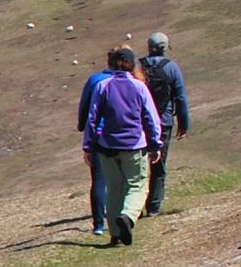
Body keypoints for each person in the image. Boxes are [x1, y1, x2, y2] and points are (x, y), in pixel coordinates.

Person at [80, 47, 164, 247]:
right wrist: (155, 143)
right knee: (137, 185)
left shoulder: (102, 86)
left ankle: (115, 234)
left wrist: (88, 147)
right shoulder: (139, 87)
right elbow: (151, 118)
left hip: (107, 146)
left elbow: (93, 119)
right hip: (134, 145)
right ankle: (128, 216)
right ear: (132, 64)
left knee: (114, 189)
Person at [139, 31, 191, 215]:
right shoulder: (172, 68)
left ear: (148, 47)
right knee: (159, 165)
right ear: (165, 49)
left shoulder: (138, 68)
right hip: (163, 122)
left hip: (139, 124)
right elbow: (181, 98)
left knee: (138, 164)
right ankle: (153, 207)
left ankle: (133, 205)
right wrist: (183, 124)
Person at [75, 63, 117, 235]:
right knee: (122, 179)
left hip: (99, 136)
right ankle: (123, 216)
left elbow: (85, 107)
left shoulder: (95, 80)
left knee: (99, 180)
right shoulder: (131, 81)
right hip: (123, 136)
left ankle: (98, 224)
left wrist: (82, 127)